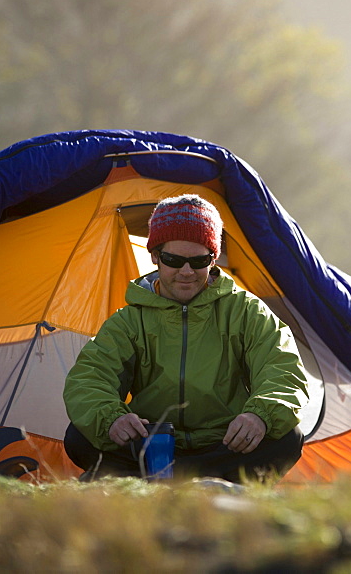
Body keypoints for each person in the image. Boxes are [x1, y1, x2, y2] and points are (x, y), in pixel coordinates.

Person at [63, 194, 309, 482]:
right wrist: (113, 419)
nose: (187, 272)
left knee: (287, 438)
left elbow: (283, 370)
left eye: (199, 260)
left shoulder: (246, 311)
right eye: (173, 260)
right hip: (152, 445)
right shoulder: (129, 321)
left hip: (225, 445)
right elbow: (89, 379)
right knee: (79, 436)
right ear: (154, 256)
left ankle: (163, 482)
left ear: (213, 259)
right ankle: (195, 479)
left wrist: (260, 415)